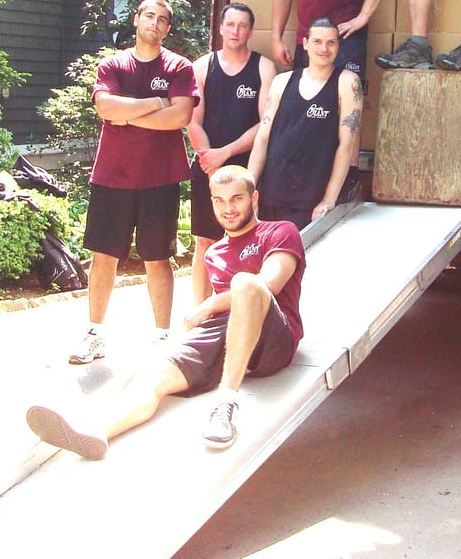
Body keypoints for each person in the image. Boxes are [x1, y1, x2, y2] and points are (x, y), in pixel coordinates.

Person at [27, 165, 306, 456]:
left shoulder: (280, 232)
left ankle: (226, 404)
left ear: (254, 198)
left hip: (273, 337)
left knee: (245, 284)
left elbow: (269, 284)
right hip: (224, 336)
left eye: (237, 199)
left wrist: (208, 304)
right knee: (153, 374)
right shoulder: (214, 253)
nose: (228, 208)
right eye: (219, 200)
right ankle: (96, 434)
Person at [68, 0, 199, 366]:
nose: (154, 23)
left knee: (158, 258)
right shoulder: (113, 65)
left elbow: (180, 117)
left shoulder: (179, 67)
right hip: (113, 176)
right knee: (103, 256)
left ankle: (161, 337)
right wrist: (157, 102)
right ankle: (94, 333)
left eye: (162, 19)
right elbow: (106, 108)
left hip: (160, 178)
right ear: (137, 20)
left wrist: (128, 115)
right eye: (149, 16)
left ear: (167, 28)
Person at [186, 2, 277, 305]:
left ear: (251, 31)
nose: (236, 31)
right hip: (207, 165)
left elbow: (265, 124)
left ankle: (241, 309)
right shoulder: (201, 67)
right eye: (230, 25)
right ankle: (200, 312)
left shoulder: (263, 68)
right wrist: (210, 161)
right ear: (221, 28)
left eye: (242, 26)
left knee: (247, 241)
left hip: (247, 166)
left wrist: (225, 154)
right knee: (205, 241)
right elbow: (192, 121)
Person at [248, 18, 362, 230]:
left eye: (331, 42)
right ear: (306, 43)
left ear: (338, 46)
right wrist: (249, 189)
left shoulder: (347, 82)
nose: (324, 49)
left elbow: (346, 146)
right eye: (317, 41)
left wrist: (329, 199)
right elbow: (262, 139)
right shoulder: (282, 81)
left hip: (312, 198)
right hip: (272, 191)